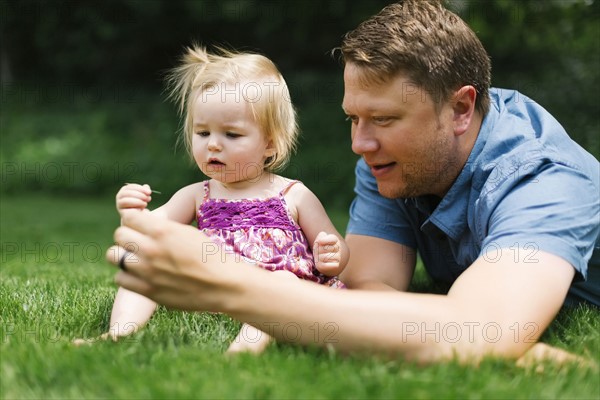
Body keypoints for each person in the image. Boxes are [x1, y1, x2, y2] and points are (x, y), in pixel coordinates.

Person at [107, 0, 599, 365]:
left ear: (461, 108)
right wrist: (459, 331)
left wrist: (230, 286)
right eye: (353, 119)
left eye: (383, 120)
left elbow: (482, 331)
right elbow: (369, 285)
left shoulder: (544, 179)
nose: (360, 145)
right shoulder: (393, 160)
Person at [75, 46, 349, 354]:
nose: (214, 145)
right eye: (203, 133)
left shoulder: (293, 194)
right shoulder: (197, 194)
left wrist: (330, 254)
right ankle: (120, 331)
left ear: (269, 143)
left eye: (232, 135)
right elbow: (149, 231)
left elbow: (336, 253)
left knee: (283, 284)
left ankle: (243, 350)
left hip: (275, 294)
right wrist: (132, 212)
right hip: (212, 288)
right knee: (141, 263)